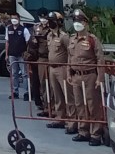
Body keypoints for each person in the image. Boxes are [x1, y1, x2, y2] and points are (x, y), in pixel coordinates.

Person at [66, 9, 107, 146]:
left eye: (79, 21)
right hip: (76, 76)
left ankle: (96, 134)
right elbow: (69, 58)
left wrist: (100, 78)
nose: (77, 23)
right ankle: (83, 131)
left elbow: (100, 59)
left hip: (90, 76)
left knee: (92, 105)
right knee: (79, 104)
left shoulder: (92, 39)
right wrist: (68, 73)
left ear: (85, 23)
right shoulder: (72, 39)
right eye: (75, 21)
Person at [45, 11, 70, 129]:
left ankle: (71, 120)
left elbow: (70, 53)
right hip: (52, 68)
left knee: (67, 94)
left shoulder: (64, 37)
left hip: (62, 68)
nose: (50, 23)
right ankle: (60, 118)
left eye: (52, 21)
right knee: (57, 94)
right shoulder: (49, 36)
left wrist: (69, 68)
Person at [5, 12, 28, 100]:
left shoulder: (24, 29)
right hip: (12, 54)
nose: (14, 20)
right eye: (12, 18)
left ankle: (26, 93)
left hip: (21, 55)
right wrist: (6, 54)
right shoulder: (8, 29)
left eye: (16, 18)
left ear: (19, 19)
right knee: (14, 74)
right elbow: (7, 42)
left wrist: (26, 53)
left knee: (24, 74)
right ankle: (15, 92)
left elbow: (27, 42)